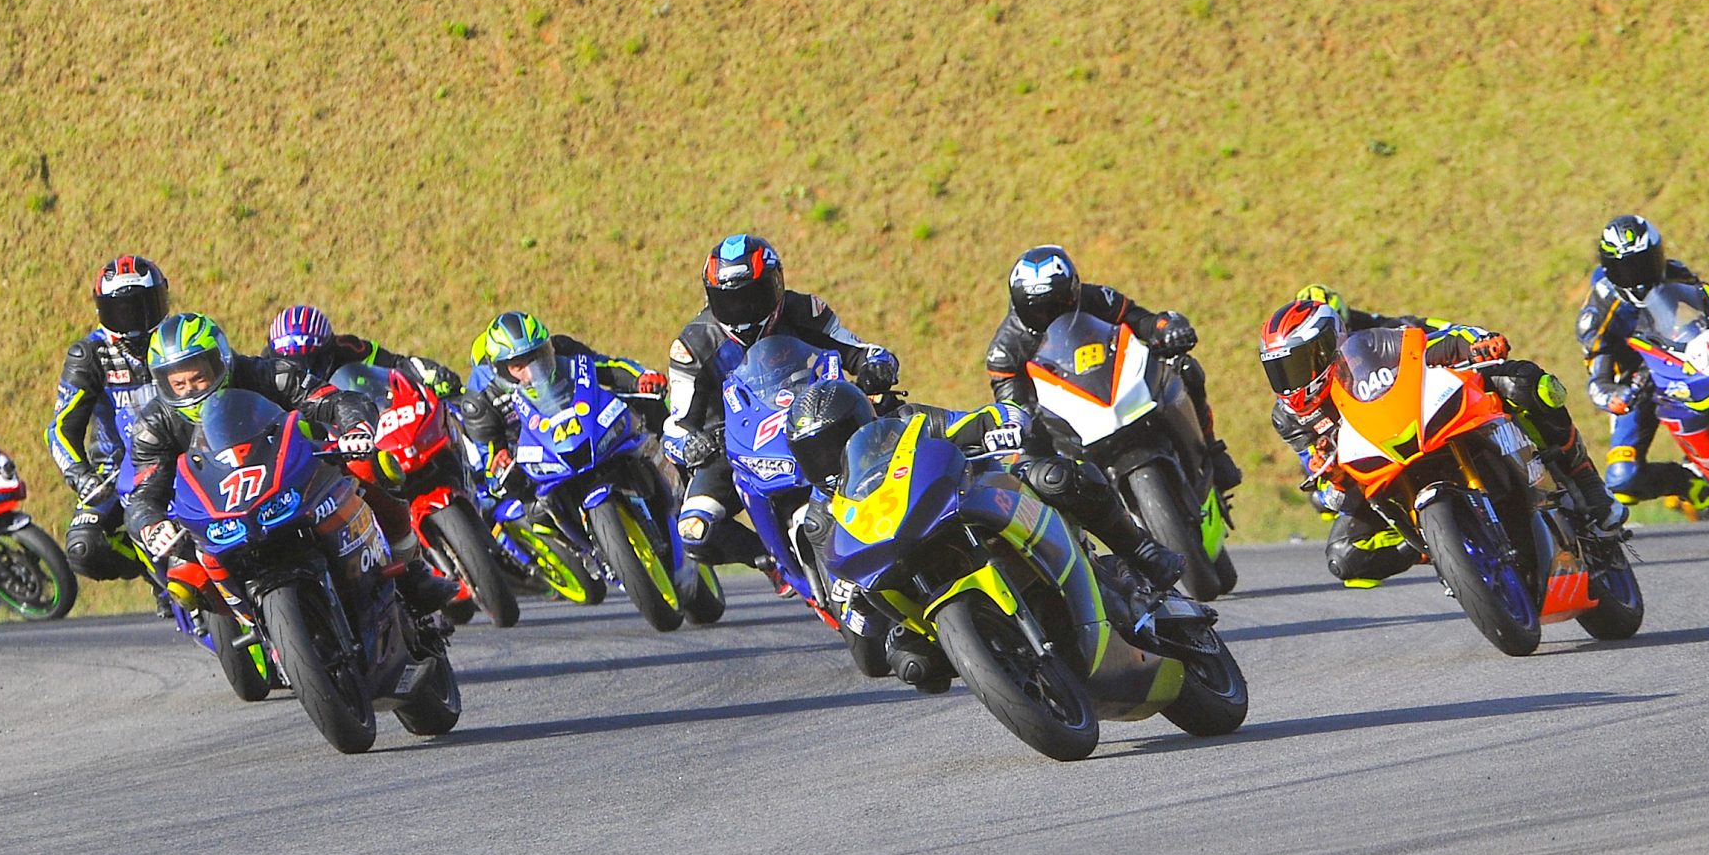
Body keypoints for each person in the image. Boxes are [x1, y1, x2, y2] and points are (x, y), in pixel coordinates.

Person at [783, 380, 1185, 684]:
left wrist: (1004, 424)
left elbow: (980, 419)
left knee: (1055, 478)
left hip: (955, 513)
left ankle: (1141, 551)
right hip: (906, 579)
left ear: (862, 421)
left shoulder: (904, 427)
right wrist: (851, 601)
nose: (833, 456)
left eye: (840, 439)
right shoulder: (821, 517)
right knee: (910, 662)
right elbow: (852, 622)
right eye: (816, 452)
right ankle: (1004, 669)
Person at [1259, 291, 1622, 589]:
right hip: (1375, 469)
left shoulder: (1370, 348)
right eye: (1279, 370)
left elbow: (1436, 342)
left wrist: (1478, 345)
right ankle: (1445, 551)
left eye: (1296, 365)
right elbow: (1316, 471)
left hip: (1425, 421)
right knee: (1344, 555)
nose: (1289, 382)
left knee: (1527, 383)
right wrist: (1330, 484)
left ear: (1327, 346)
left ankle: (1587, 481)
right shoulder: (1289, 416)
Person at [118, 313, 456, 616]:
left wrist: (356, 427)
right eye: (178, 383)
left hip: (288, 473)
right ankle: (238, 630)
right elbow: (144, 492)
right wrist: (150, 523)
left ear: (220, 362)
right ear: (162, 384)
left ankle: (413, 573)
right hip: (219, 507)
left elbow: (332, 400)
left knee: (366, 468)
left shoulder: (264, 373)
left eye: (199, 377)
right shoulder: (154, 425)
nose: (190, 389)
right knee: (181, 571)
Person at [664, 234, 898, 569]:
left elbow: (860, 350)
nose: (743, 313)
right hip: (733, 448)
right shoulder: (692, 346)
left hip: (818, 423)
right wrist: (690, 445)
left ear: (776, 285)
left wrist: (877, 366)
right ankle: (772, 563)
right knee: (694, 530)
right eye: (730, 302)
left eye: (753, 297)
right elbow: (677, 423)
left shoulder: (804, 310)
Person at [983, 243, 1240, 494]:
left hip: (1115, 385)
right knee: (1035, 462)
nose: (1050, 315)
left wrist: (1167, 328)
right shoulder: (1004, 349)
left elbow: (1142, 320)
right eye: (1037, 310)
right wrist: (1023, 424)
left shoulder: (1095, 298)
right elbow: (1012, 405)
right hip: (1064, 420)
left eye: (1059, 304)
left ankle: (1212, 450)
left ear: (1073, 291)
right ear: (1019, 306)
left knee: (1184, 368)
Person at [1573, 216, 1709, 507]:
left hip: (1683, 353)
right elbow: (1598, 380)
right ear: (1610, 269)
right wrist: (1615, 397)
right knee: (1623, 480)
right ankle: (1693, 483)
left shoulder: (1673, 271)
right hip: (1637, 383)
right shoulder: (1598, 313)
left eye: (1645, 261)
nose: (1639, 274)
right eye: (1627, 267)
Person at [47, 255, 171, 584]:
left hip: (184, 454)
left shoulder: (180, 337)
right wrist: (80, 476)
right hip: (117, 470)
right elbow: (60, 429)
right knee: (83, 548)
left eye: (143, 307)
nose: (134, 323)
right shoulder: (89, 355)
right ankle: (148, 567)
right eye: (121, 311)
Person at [459, 311, 666, 499]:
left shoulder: (563, 350)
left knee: (647, 411)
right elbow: (490, 459)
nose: (531, 373)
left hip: (586, 429)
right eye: (518, 367)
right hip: (538, 462)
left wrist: (640, 378)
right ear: (501, 370)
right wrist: (500, 464)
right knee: (533, 511)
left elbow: (604, 366)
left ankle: (683, 474)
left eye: (535, 358)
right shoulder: (480, 399)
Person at [264, 304, 465, 400]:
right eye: (291, 363)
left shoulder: (345, 347)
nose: (304, 374)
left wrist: (431, 374)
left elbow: (395, 363)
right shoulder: (261, 369)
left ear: (328, 350)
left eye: (313, 361)